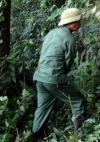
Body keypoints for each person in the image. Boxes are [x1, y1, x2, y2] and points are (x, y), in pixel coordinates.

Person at [32, 8, 86, 139]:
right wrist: (62, 77)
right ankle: (80, 133)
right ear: (73, 23)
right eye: (79, 21)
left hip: (39, 78)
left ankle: (34, 136)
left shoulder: (51, 33)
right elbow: (68, 63)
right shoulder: (69, 39)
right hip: (54, 79)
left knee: (42, 108)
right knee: (78, 100)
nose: (80, 23)